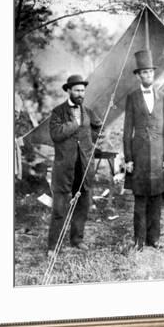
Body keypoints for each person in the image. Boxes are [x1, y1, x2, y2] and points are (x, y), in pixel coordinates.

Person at [47, 74, 103, 256]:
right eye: (77, 90)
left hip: (84, 166)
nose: (80, 93)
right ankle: (53, 246)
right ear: (69, 91)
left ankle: (77, 239)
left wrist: (93, 138)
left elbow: (93, 132)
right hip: (64, 168)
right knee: (60, 207)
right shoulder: (57, 112)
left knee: (83, 203)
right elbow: (56, 134)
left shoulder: (88, 111)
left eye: (83, 90)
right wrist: (75, 123)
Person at [123, 50, 164, 251]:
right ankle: (139, 240)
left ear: (154, 74)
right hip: (140, 156)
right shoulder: (132, 97)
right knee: (140, 200)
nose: (147, 76)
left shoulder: (163, 97)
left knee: (156, 201)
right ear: (138, 76)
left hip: (158, 156)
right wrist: (128, 158)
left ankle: (154, 239)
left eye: (150, 72)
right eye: (144, 72)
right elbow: (127, 130)